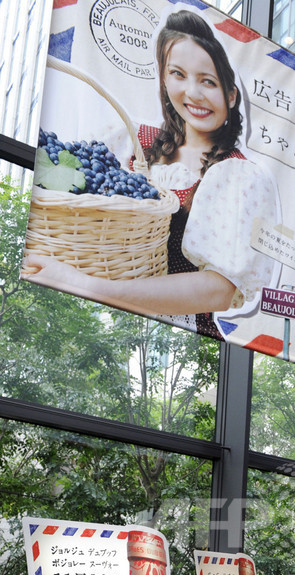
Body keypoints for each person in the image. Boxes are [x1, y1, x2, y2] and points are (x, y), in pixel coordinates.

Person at [23, 9, 276, 340]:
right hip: (90, 323)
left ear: (231, 95)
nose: (193, 93)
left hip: (172, 339)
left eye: (208, 81)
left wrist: (89, 286)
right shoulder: (129, 139)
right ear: (164, 79)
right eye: (178, 74)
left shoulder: (240, 177)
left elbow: (219, 290)